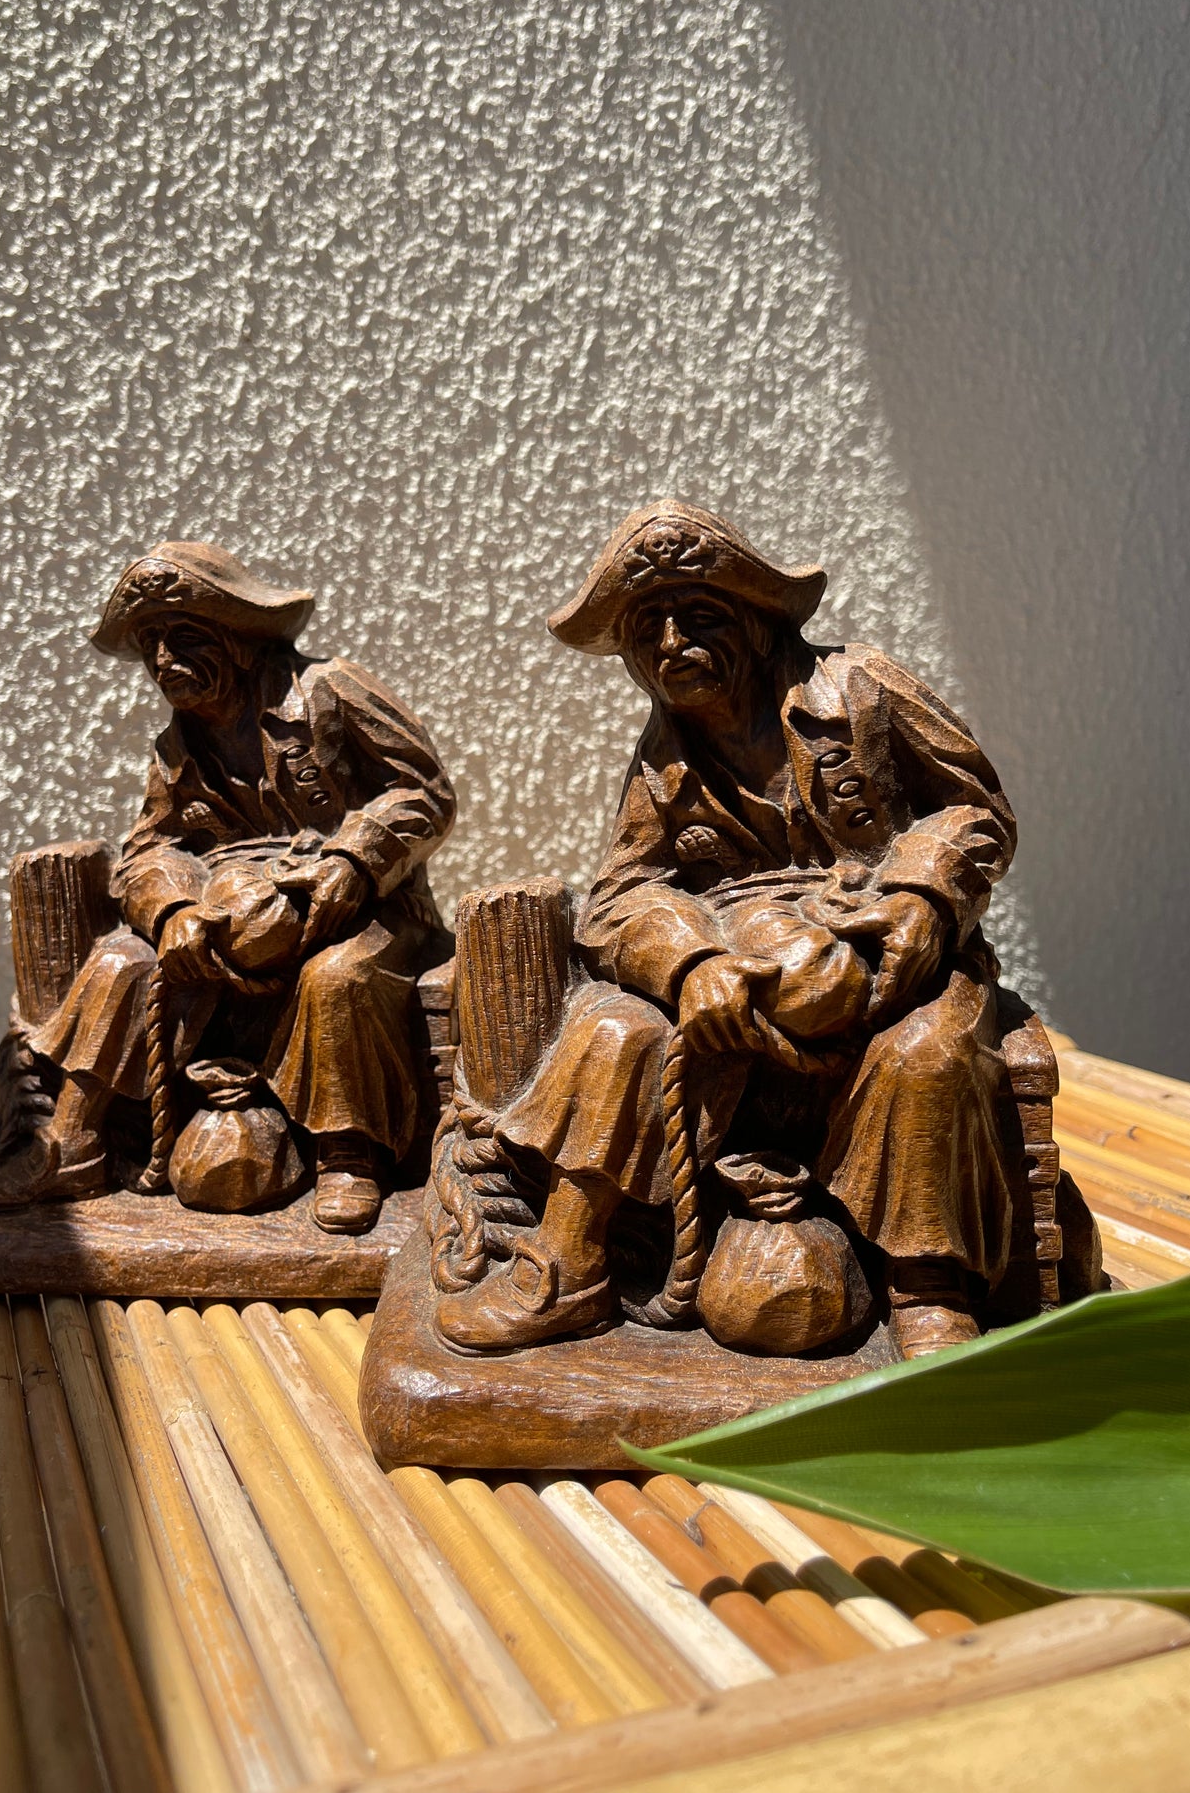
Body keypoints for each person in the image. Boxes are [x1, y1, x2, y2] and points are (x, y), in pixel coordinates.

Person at [436, 500, 1030, 1357]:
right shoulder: (664, 751)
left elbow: (976, 811)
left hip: (887, 946)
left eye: (698, 617)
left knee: (923, 1055)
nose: (672, 642)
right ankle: (565, 1261)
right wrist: (690, 962)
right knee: (612, 1026)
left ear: (754, 625)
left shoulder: (857, 685)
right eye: (649, 629)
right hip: (741, 953)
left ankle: (927, 1286)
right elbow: (620, 894)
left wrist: (923, 900)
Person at [0, 540, 456, 1233]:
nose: (163, 660)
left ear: (239, 638)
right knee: (118, 961)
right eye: (151, 645)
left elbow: (424, 790)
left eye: (185, 638)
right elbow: (149, 848)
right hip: (226, 909)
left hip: (361, 903)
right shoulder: (176, 746)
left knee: (337, 979)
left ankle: (348, 1153)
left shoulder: (330, 688)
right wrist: (172, 911)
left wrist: (353, 861)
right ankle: (73, 1139)